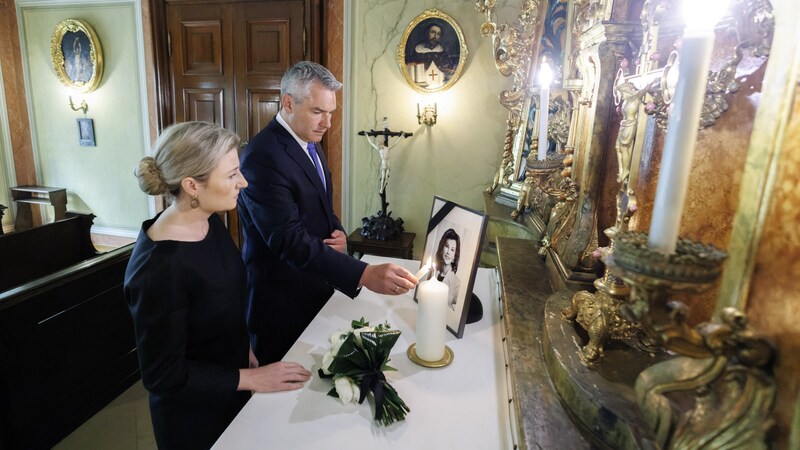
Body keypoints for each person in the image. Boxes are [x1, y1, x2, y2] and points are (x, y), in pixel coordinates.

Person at [124, 121, 312, 449]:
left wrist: (246, 351)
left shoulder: (209, 222)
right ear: (192, 185)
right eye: (231, 175)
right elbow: (163, 376)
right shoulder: (159, 268)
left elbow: (220, 300)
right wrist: (253, 378)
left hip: (232, 387)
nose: (244, 181)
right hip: (193, 419)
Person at [238, 61, 419, 365]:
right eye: (318, 112)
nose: (328, 123)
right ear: (288, 103)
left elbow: (318, 202)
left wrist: (335, 232)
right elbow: (288, 240)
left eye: (331, 112)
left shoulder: (309, 139)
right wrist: (363, 273)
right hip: (281, 301)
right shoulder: (262, 157)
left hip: (314, 286)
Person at [434, 228, 461, 310]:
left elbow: (454, 310)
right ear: (441, 248)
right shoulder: (432, 272)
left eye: (452, 250)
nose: (448, 252)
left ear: (454, 256)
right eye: (446, 246)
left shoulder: (457, 283)